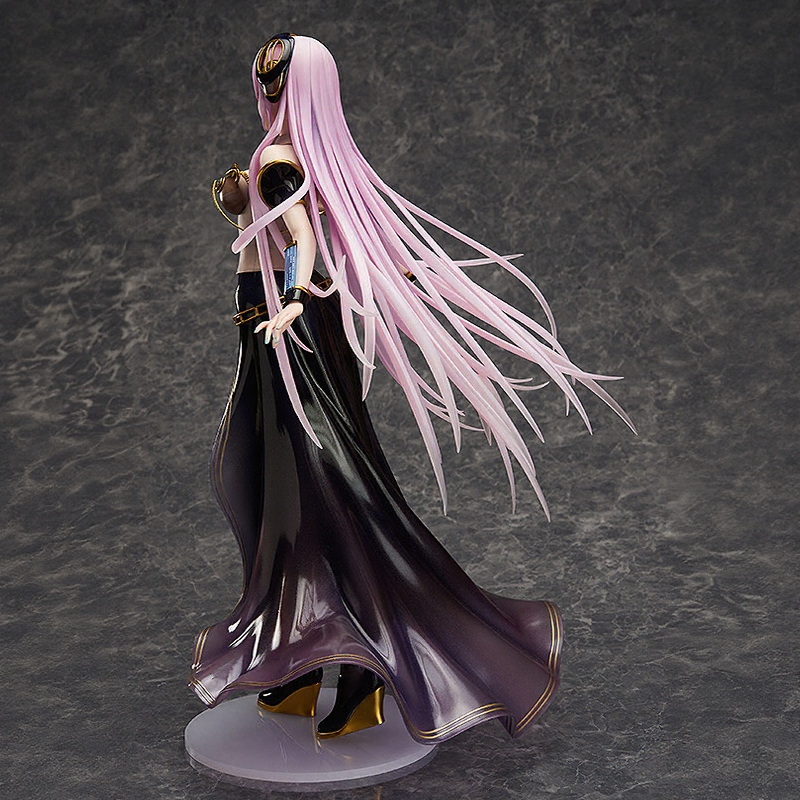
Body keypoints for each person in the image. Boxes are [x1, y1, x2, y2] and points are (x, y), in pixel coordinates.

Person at [189, 33, 633, 743]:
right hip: (280, 333)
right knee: (292, 498)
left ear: (303, 84)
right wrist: (243, 210)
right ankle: (307, 657)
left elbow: (300, 238)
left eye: (279, 75)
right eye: (264, 73)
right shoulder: (290, 156)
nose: (268, 85)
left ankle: (361, 663)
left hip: (286, 333)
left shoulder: (280, 158)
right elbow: (275, 232)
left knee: (319, 495)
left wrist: (294, 297)